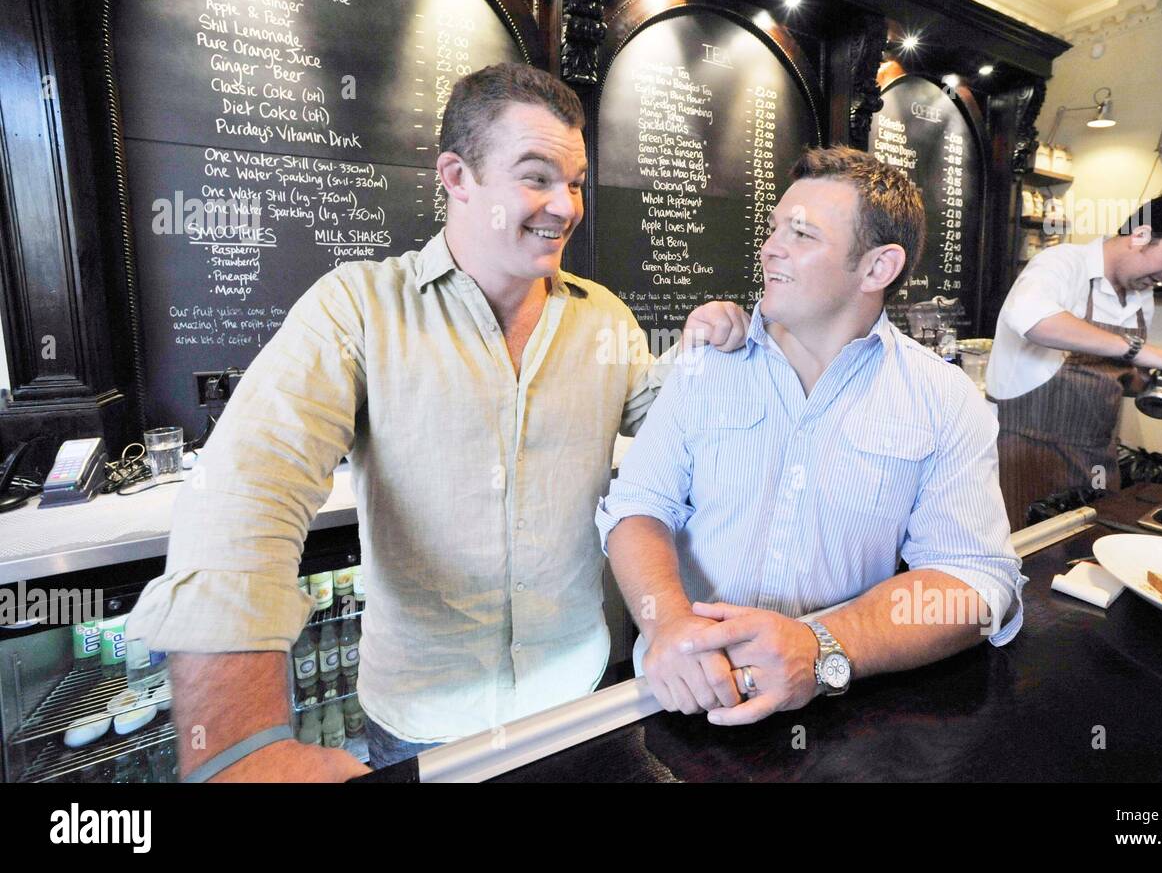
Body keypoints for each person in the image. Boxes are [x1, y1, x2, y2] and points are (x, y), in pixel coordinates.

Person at [126, 63, 749, 780]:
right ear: (456, 176)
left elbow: (675, 427)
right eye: (536, 175)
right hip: (426, 729)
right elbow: (245, 490)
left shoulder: (603, 317)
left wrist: (708, 356)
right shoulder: (358, 307)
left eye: (574, 181)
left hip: (580, 703)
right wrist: (236, 746)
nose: (565, 206)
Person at [597, 147, 1024, 725]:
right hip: (683, 692)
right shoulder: (705, 362)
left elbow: (975, 580)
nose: (770, 247)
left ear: (878, 267)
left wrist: (821, 648)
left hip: (838, 706)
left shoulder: (943, 400)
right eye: (775, 227)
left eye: (801, 234)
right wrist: (667, 622)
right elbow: (639, 506)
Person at [988, 186, 1162, 530]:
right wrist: (1147, 352)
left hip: (1095, 456)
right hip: (1026, 454)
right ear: (1141, 235)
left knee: (1084, 558)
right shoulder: (1063, 263)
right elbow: (1034, 320)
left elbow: (1116, 373)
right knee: (1024, 559)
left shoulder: (1140, 295)